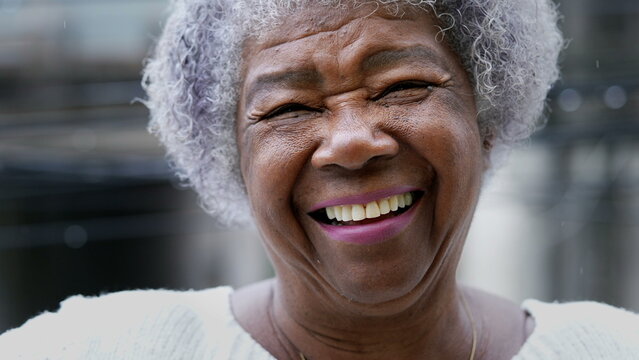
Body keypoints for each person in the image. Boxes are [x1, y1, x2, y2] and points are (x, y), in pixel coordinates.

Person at [2, 0, 639, 359]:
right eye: (288, 108)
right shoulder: (97, 349)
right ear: (232, 162)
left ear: (486, 119)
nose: (352, 141)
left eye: (404, 86)